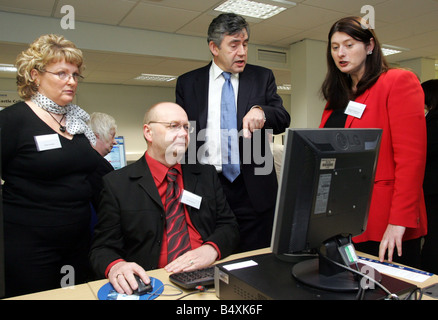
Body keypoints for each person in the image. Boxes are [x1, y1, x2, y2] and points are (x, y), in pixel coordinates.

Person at [89, 102, 239, 295]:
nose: (184, 134)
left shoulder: (205, 175)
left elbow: (229, 225)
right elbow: (102, 248)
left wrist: (211, 249)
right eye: (173, 126)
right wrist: (117, 266)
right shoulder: (117, 184)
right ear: (148, 133)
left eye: (186, 127)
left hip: (208, 275)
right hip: (154, 282)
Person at [175, 13, 290, 253]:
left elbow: (282, 118)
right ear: (214, 47)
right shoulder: (188, 83)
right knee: (214, 256)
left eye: (245, 44)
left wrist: (262, 111)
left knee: (258, 261)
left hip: (254, 188)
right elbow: (183, 134)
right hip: (208, 186)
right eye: (234, 45)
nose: (242, 52)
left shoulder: (261, 77)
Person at [0, 34, 104, 297]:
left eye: (75, 74)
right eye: (61, 73)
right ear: (35, 75)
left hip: (79, 238)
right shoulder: (13, 121)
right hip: (30, 244)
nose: (71, 81)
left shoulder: (78, 122)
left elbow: (94, 172)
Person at [319, 17, 427, 268]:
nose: (341, 53)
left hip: (385, 222)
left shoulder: (397, 81)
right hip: (342, 219)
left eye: (349, 44)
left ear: (369, 46)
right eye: (335, 47)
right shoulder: (337, 98)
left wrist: (398, 221)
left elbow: (411, 160)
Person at [420, 79, 438, 274]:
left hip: (432, 188)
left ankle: (429, 271)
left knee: (433, 233)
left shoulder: (434, 121)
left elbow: (424, 150)